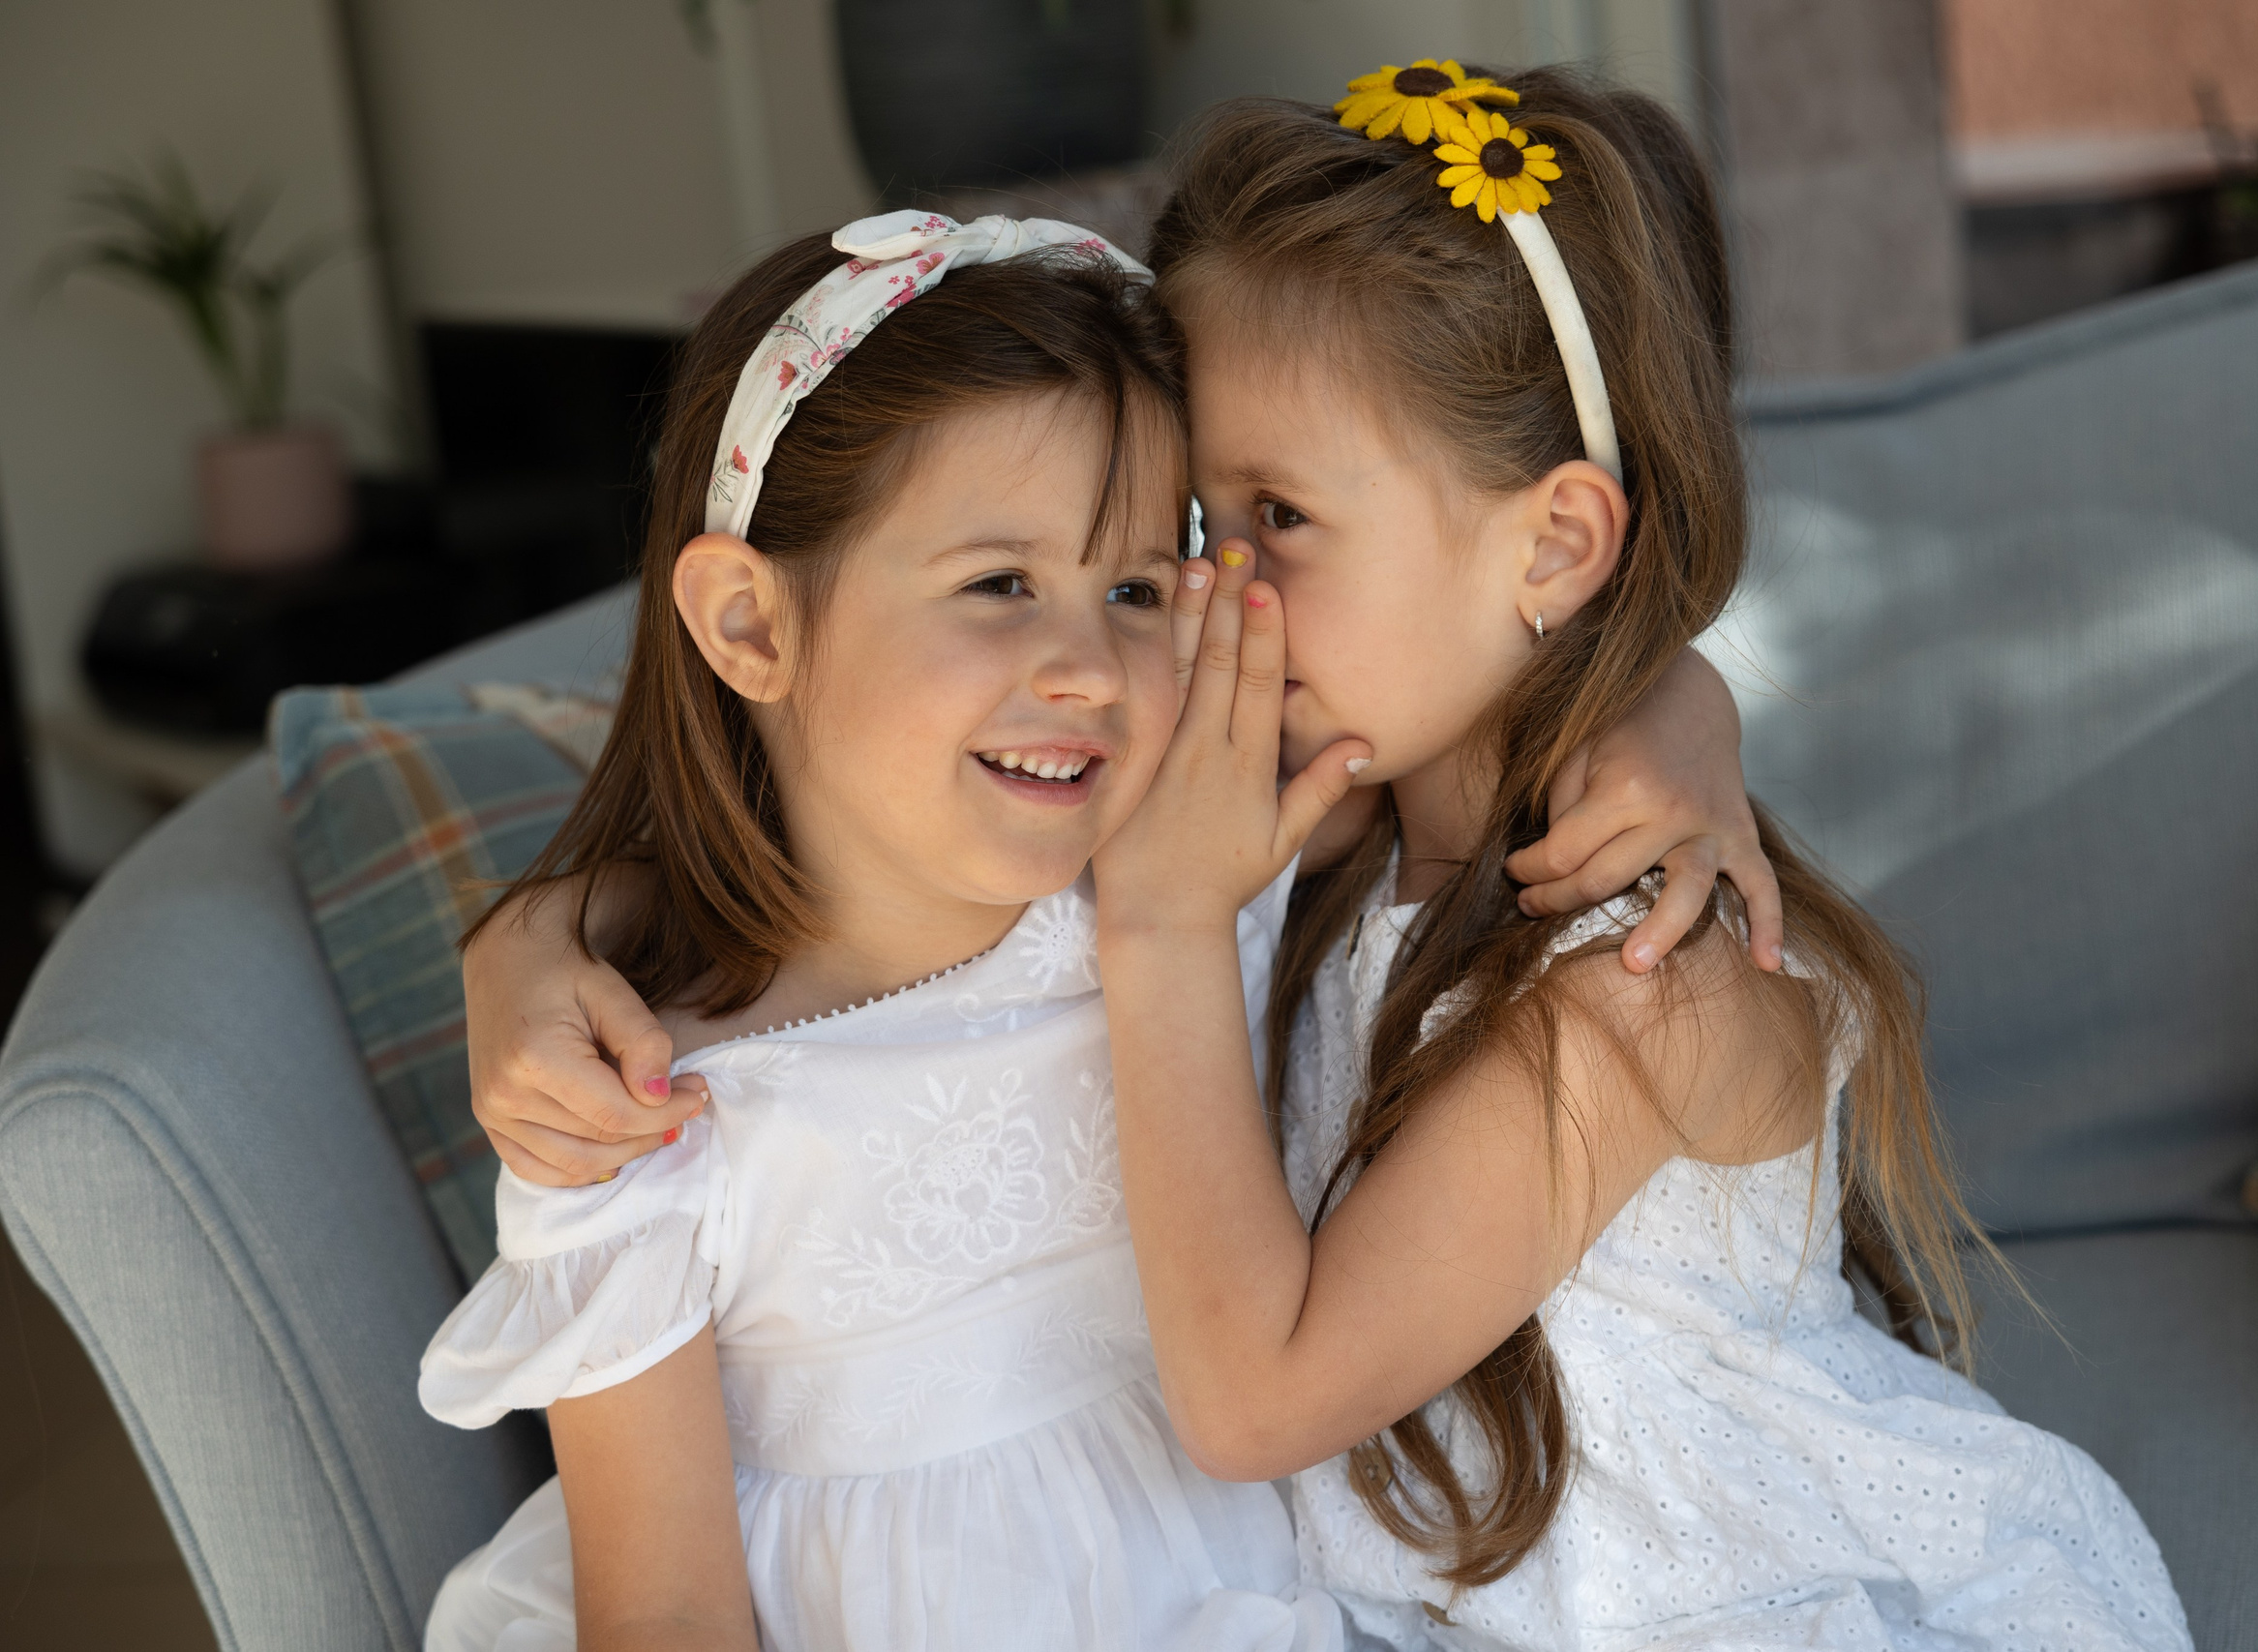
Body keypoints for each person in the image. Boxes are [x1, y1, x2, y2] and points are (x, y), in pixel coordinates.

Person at [423, 203, 1775, 1652]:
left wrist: (1680, 712)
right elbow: (670, 1612)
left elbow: (1480, 688)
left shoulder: (1186, 865)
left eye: (1136, 586)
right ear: (752, 628)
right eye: (1000, 584)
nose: (1085, 667)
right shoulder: (631, 1118)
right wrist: (538, 933)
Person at [1087, 66, 2193, 1651]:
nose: (1216, 595)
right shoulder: (1337, 812)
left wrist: (1162, 935)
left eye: (1277, 515)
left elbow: (1256, 1404)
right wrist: (586, 933)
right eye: (1199, 526)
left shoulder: (1632, 994)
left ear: (1551, 546)